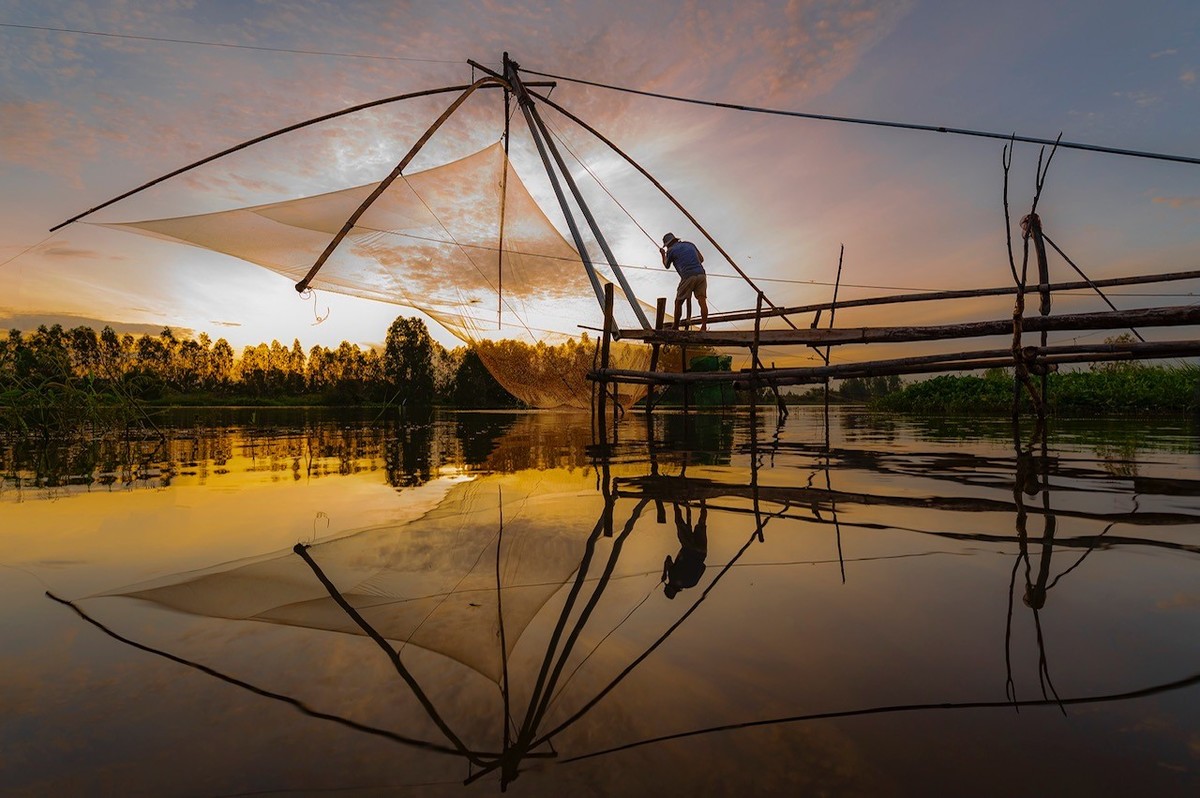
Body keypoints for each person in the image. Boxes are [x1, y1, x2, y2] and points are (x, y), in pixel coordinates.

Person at [661, 232, 708, 331]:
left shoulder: (670, 250)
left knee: (678, 302)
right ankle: (703, 326)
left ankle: (675, 326)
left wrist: (663, 254)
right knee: (702, 300)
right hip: (701, 274)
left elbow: (666, 265)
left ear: (668, 244)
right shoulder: (690, 244)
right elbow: (702, 259)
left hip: (688, 276)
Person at [662, 500, 708, 599]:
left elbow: (703, 567)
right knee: (679, 523)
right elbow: (668, 558)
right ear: (670, 586)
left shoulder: (692, 584)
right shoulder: (672, 577)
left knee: (702, 524)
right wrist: (664, 573)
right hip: (688, 549)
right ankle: (675, 501)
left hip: (701, 552)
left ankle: (703, 501)